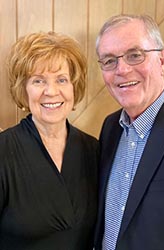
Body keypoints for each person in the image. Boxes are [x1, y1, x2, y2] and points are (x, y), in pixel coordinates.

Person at [94, 14, 164, 250]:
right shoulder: (110, 128)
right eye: (109, 61)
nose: (122, 70)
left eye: (135, 55)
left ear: (162, 60)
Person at [0, 31, 99, 250]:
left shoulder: (94, 150)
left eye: (61, 80)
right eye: (38, 81)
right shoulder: (3, 151)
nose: (51, 91)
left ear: (74, 86)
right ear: (23, 89)